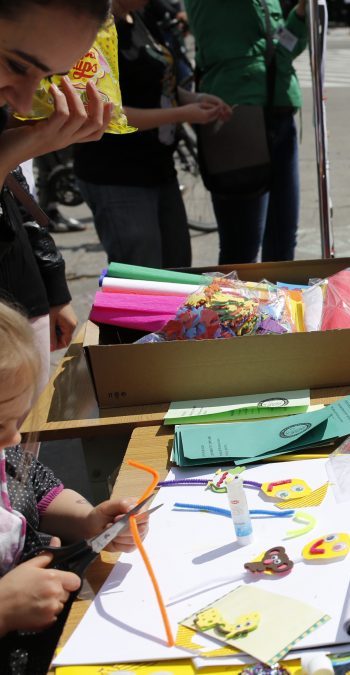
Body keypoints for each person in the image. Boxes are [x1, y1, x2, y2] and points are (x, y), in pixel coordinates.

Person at [0, 301, 150, 671]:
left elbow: (32, 486)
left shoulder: (5, 453)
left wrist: (87, 519)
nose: (15, 437)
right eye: (0, 423)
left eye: (17, 419)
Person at [0, 0, 118, 396]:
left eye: (49, 77)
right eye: (16, 65)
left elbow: (18, 191)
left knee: (22, 444)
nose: (20, 101)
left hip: (22, 296)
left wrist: (51, 285)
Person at [74, 0, 232, 269]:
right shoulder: (95, 27)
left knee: (178, 269)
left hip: (158, 169)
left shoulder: (141, 17)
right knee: (141, 276)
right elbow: (108, 113)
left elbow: (160, 85)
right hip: (117, 174)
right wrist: (183, 114)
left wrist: (196, 98)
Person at [185, 0, 308, 264]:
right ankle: (233, 306)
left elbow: (282, 50)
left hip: (278, 114)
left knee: (282, 242)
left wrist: (300, 13)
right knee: (241, 250)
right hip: (237, 115)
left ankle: (279, 305)